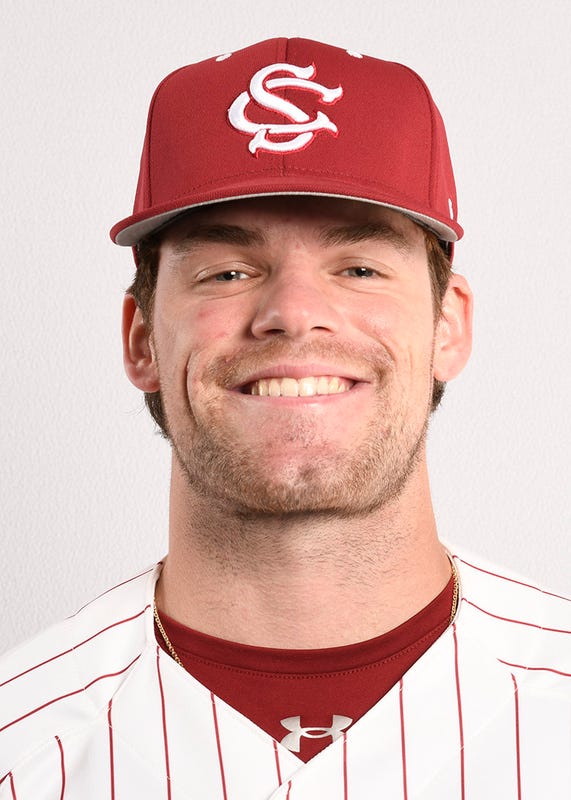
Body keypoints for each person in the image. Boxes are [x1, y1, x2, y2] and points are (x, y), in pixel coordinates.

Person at [1, 37, 569, 799]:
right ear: (141, 338)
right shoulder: (20, 745)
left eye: (358, 267)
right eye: (228, 271)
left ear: (447, 326)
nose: (293, 314)